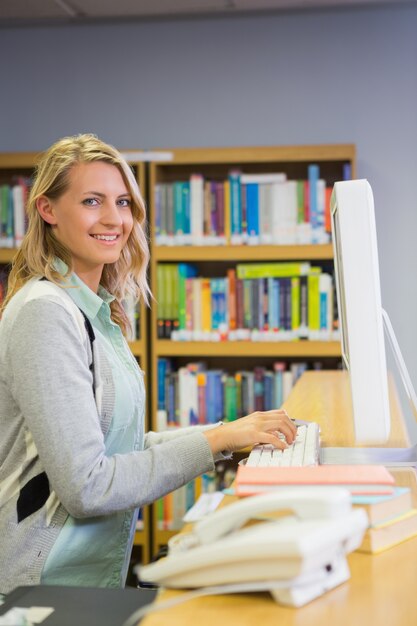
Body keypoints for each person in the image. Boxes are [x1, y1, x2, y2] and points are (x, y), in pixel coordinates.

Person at [0, 134, 296, 595]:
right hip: (41, 586)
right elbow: (88, 485)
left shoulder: (95, 309)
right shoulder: (46, 312)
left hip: (84, 581)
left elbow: (119, 447)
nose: (114, 219)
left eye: (122, 202)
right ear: (48, 210)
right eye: (92, 201)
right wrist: (213, 440)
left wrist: (229, 434)